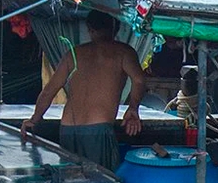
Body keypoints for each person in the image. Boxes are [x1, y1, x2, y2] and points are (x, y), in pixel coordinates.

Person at [22, 10, 148, 170]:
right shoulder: (123, 52)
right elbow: (139, 79)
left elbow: (49, 91)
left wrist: (34, 119)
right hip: (97, 128)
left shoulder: (74, 53)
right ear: (115, 28)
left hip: (68, 128)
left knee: (71, 181)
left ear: (89, 29)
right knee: (102, 182)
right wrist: (133, 109)